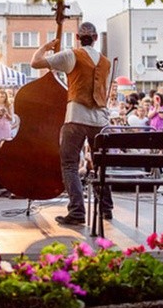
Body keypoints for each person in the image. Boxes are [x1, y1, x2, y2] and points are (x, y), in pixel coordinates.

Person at [31, 21, 113, 226]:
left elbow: (35, 62)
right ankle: (106, 208)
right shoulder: (106, 62)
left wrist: (46, 47)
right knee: (101, 164)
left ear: (77, 38)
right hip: (100, 120)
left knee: (69, 164)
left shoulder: (71, 55)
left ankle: (77, 211)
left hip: (76, 117)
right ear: (94, 38)